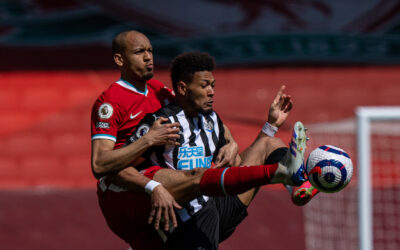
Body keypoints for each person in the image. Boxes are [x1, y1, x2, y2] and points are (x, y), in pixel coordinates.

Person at [107, 52, 310, 249]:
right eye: (204, 86)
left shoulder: (211, 119)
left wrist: (270, 125)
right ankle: (281, 172)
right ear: (183, 88)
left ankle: (296, 184)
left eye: (212, 85)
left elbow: (238, 169)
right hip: (182, 220)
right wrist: (153, 188)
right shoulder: (162, 123)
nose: (211, 91)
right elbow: (118, 170)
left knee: (269, 143)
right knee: (199, 177)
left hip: (215, 206)